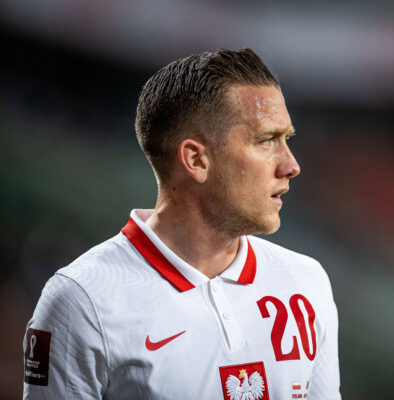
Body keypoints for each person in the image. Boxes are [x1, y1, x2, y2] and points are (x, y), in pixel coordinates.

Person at [23, 48, 341, 399]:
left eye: (286, 140)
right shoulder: (82, 300)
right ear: (196, 160)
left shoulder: (306, 281)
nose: (291, 165)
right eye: (266, 141)